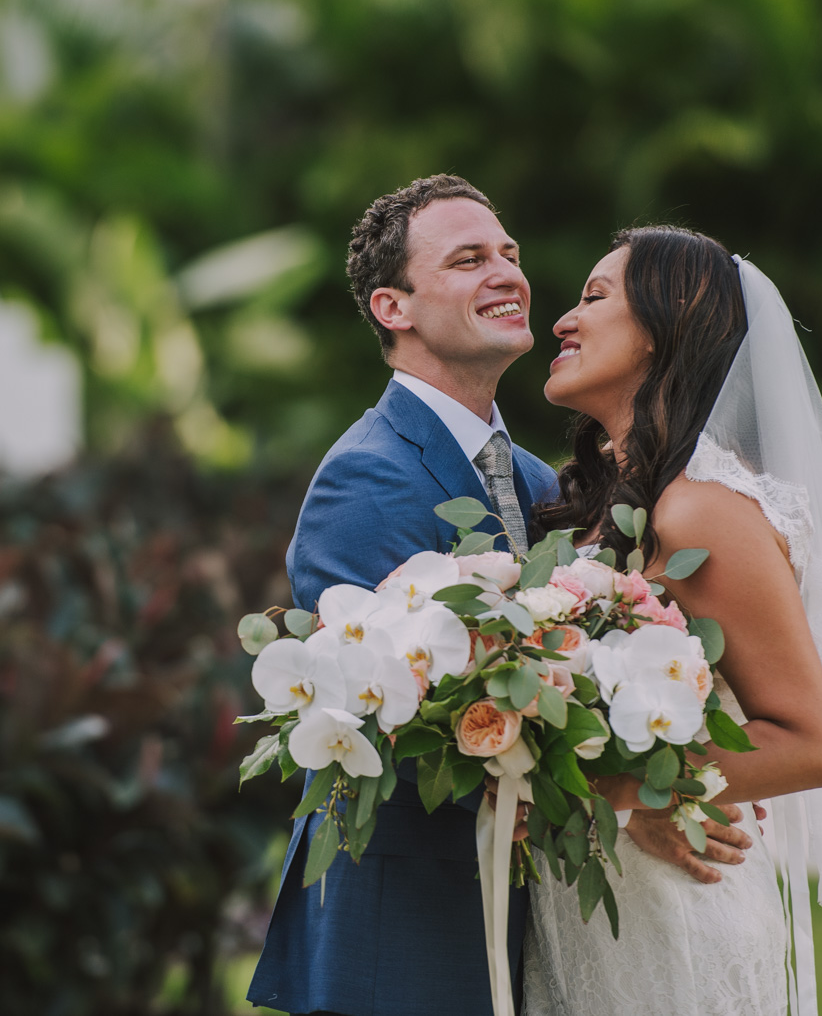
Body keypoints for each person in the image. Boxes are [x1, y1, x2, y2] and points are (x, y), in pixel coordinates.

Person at [247, 183, 756, 1016]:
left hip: (517, 925)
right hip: (401, 938)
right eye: (468, 258)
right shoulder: (364, 476)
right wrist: (624, 804)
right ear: (393, 306)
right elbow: (403, 718)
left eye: (510, 253)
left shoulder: (536, 479)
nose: (508, 272)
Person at [524, 226, 822, 1016]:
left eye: (594, 298)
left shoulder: (699, 510)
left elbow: (813, 744)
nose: (562, 319)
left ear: (669, 323)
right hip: (606, 904)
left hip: (674, 912)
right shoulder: (613, 505)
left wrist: (627, 793)